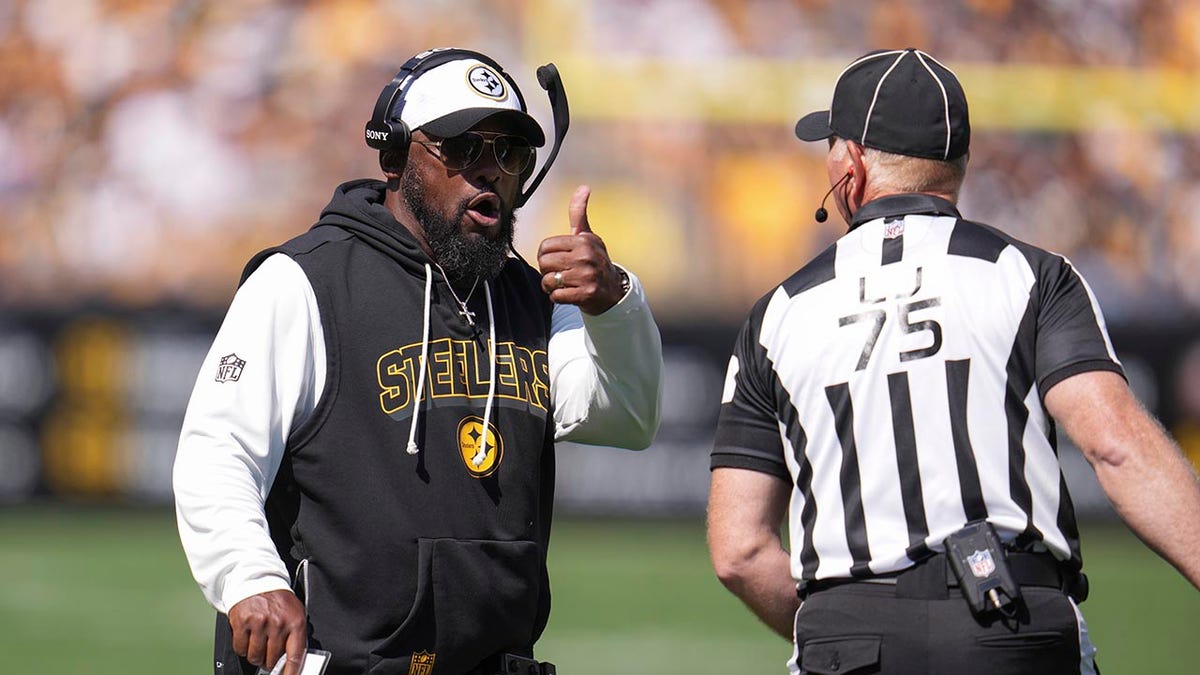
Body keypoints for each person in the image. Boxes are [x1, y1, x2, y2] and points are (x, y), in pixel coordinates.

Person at [706, 48, 1200, 675]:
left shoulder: (777, 312)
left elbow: (739, 550)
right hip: (1010, 622)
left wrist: (844, 635)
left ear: (850, 165)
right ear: (958, 164)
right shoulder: (1029, 275)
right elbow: (1118, 446)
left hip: (848, 636)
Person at [174, 48, 663, 675]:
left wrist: (616, 302)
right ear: (398, 154)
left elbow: (625, 419)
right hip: (335, 660)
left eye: (509, 153)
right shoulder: (304, 280)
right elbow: (218, 449)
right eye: (464, 149)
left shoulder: (535, 295)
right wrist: (248, 578)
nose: (489, 173)